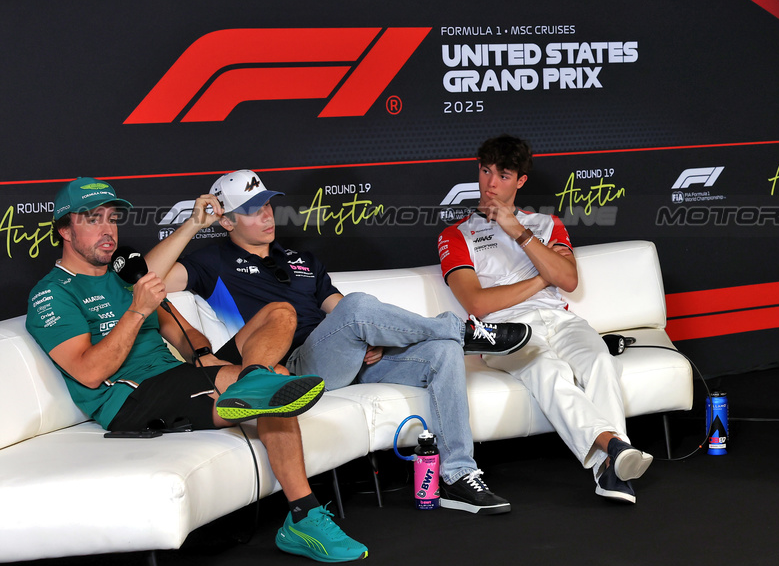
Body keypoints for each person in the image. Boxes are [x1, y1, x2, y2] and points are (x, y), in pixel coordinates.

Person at [145, 169, 530, 515]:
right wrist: (193, 225)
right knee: (373, 312)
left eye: (267, 205)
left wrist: (370, 334)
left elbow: (340, 309)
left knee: (442, 353)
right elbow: (142, 278)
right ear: (226, 221)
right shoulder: (211, 262)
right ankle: (458, 329)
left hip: (347, 356)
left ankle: (458, 475)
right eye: (251, 209)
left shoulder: (301, 259)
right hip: (292, 365)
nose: (265, 215)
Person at [27, 178, 368, 563]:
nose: (108, 230)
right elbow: (89, 373)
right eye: (92, 220)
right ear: (64, 230)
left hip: (177, 373)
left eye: (112, 219)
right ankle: (304, 517)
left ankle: (255, 378)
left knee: (279, 313)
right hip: (130, 397)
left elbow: (175, 325)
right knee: (274, 389)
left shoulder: (122, 275)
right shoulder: (52, 294)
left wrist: (202, 353)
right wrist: (137, 309)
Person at [438, 135, 653, 504]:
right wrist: (543, 275)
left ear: (520, 180)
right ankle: (614, 449)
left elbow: (567, 281)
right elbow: (477, 303)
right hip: (504, 331)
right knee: (550, 371)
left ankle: (609, 469)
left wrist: (518, 233)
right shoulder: (456, 234)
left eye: (503, 175)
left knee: (600, 361)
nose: (490, 183)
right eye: (485, 171)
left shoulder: (545, 223)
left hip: (560, 318)